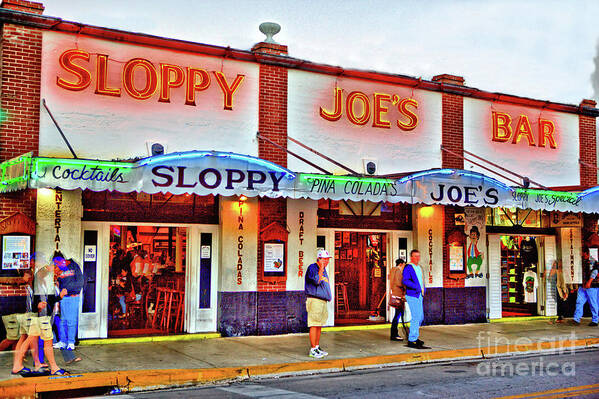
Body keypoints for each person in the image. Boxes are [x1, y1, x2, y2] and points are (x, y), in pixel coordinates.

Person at [53, 251, 84, 350]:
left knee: (71, 321)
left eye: (57, 264)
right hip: (63, 298)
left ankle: (71, 342)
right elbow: (59, 283)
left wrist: (68, 289)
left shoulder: (74, 266)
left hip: (73, 297)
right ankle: (63, 341)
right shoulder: (60, 269)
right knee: (63, 321)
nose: (56, 266)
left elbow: (80, 282)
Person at [305, 249, 332, 359]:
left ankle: (316, 347)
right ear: (319, 259)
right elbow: (316, 281)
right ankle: (312, 349)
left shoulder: (323, 269)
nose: (326, 261)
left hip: (322, 301)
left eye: (327, 259)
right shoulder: (313, 268)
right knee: (314, 324)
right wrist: (321, 267)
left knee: (319, 325)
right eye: (324, 259)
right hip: (315, 300)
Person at [402, 249, 429, 349]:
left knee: (420, 317)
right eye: (415, 256)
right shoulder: (408, 267)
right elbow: (405, 280)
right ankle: (412, 340)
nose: (418, 258)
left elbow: (421, 280)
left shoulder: (419, 267)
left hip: (419, 295)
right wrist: (416, 287)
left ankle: (414, 336)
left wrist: (422, 290)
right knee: (416, 317)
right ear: (411, 257)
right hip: (412, 295)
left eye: (419, 256)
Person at [389, 258, 406, 341]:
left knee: (397, 314)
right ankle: (394, 334)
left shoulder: (392, 270)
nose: (403, 267)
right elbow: (399, 283)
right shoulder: (398, 271)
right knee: (397, 315)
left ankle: (394, 334)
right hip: (399, 295)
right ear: (401, 264)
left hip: (394, 294)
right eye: (403, 265)